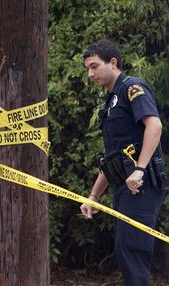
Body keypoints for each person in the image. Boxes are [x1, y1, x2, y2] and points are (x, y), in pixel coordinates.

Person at [80, 39, 167, 286]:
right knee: (125, 249)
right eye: (88, 68)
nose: (90, 73)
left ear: (113, 63)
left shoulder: (132, 88)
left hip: (143, 183)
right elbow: (113, 158)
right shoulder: (109, 104)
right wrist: (93, 197)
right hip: (123, 186)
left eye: (95, 66)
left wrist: (139, 170)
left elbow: (155, 125)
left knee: (131, 249)